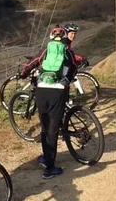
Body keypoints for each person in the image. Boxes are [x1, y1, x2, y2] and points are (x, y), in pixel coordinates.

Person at [20, 26, 78, 179]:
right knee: (52, 129)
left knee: (45, 127)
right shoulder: (67, 51)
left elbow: (32, 63)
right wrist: (67, 80)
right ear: (64, 37)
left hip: (41, 92)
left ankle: (46, 158)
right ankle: (50, 168)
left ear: (51, 37)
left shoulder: (45, 50)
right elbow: (73, 67)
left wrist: (23, 73)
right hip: (57, 92)